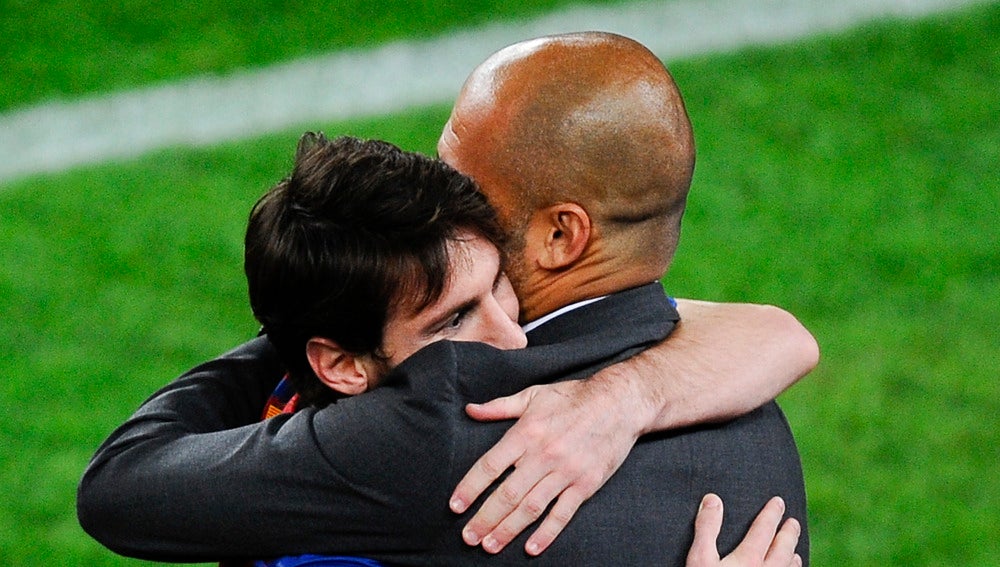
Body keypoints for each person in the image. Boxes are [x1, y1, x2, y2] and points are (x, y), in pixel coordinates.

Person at [78, 32, 814, 565]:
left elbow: (122, 486)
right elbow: (735, 326)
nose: (438, 197)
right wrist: (637, 388)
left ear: (561, 235)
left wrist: (320, 304)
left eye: (462, 180)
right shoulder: (756, 419)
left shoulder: (435, 416)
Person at [239, 132, 799, 567]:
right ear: (340, 366)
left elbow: (777, 333)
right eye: (454, 320)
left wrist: (630, 393)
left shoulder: (292, 388)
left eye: (499, 284)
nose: (514, 336)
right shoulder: (355, 514)